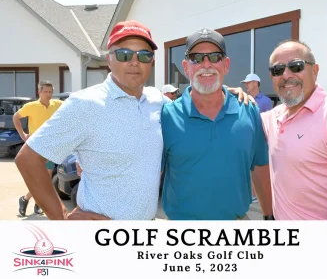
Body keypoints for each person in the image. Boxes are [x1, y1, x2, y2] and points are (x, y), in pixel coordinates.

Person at [14, 20, 252, 221]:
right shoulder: (85, 104)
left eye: (144, 55)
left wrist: (221, 92)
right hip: (102, 241)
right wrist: (62, 219)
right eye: (124, 54)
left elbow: (194, 103)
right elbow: (28, 158)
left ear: (152, 62)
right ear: (109, 59)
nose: (134, 62)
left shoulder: (157, 102)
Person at [161, 28, 273, 220]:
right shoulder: (167, 115)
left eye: (215, 57)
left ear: (226, 65)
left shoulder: (248, 110)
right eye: (196, 58)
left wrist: (269, 216)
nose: (206, 64)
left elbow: (260, 166)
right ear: (186, 67)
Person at [261, 39, 327, 220]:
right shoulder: (273, 117)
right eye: (277, 70)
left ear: (315, 70)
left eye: (296, 66)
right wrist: (226, 94)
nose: (286, 75)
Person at [13, 80, 63, 217]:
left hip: (51, 147)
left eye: (50, 92)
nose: (48, 95)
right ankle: (29, 201)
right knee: (42, 179)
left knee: (44, 179)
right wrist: (23, 135)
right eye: (45, 92)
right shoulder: (31, 106)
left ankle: (29, 201)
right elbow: (16, 117)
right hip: (35, 147)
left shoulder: (58, 104)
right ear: (39, 92)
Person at [241, 73, 273, 203]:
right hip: (247, 139)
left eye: (248, 82)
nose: (246, 85)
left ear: (255, 83)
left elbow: (268, 122)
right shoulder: (244, 99)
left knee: (258, 167)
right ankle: (252, 194)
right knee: (248, 167)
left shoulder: (265, 101)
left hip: (260, 141)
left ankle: (256, 195)